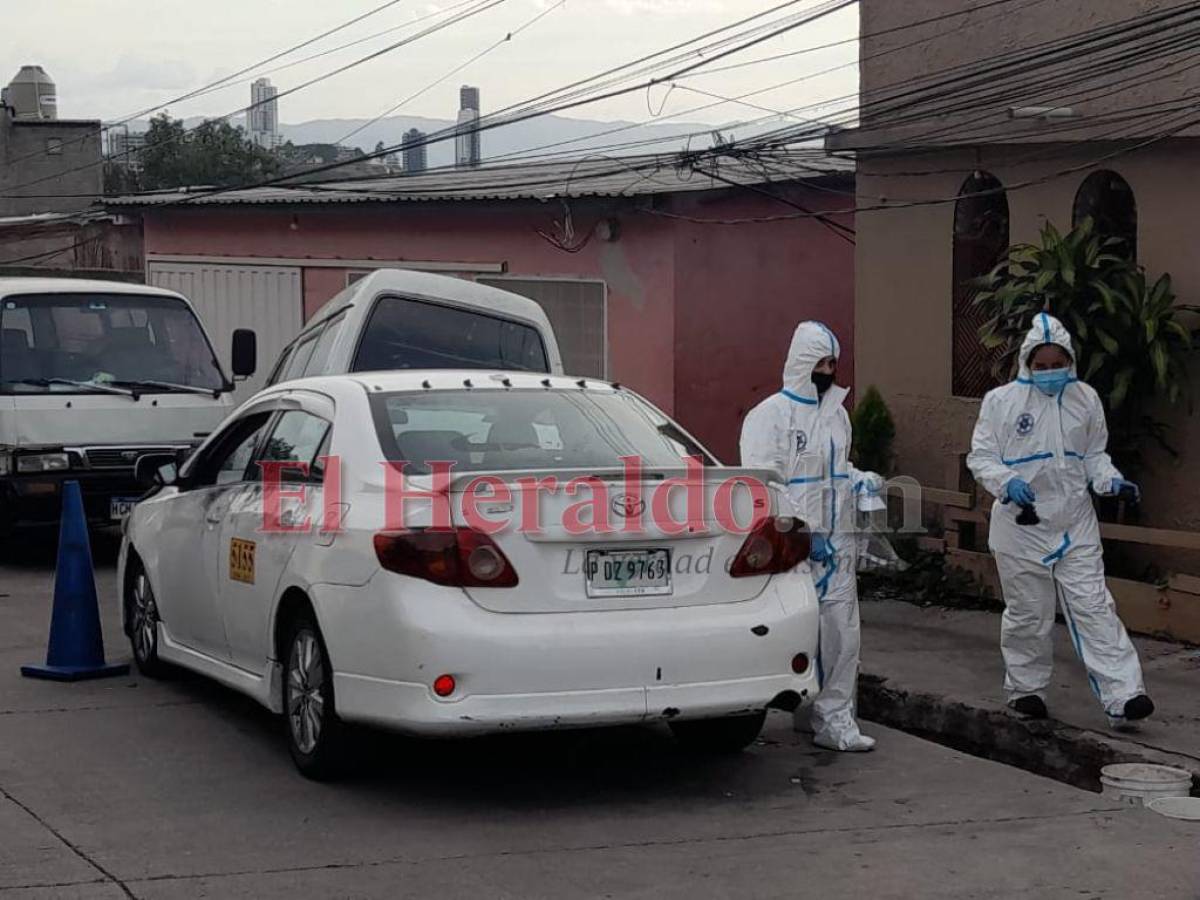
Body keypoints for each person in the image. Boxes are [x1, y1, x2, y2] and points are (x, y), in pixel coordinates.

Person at [967, 312, 1154, 729]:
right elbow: (981, 457)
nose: (1050, 373)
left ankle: (1125, 694)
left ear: (1070, 361)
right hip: (1021, 526)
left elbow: (1093, 456)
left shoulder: (1084, 399)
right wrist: (1007, 481)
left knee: (1095, 606)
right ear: (1027, 363)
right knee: (1028, 613)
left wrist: (1111, 482)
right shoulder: (1001, 403)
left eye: (1058, 364)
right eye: (1042, 365)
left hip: (1074, 522)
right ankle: (1025, 690)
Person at [740, 321, 883, 752]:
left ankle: (835, 721)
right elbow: (765, 484)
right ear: (801, 363)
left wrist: (860, 480)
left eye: (832, 363)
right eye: (820, 362)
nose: (828, 370)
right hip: (794, 548)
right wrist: (803, 530)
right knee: (796, 633)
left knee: (843, 635)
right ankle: (799, 709)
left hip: (838, 545)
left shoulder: (837, 414)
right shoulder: (770, 416)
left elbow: (833, 473)